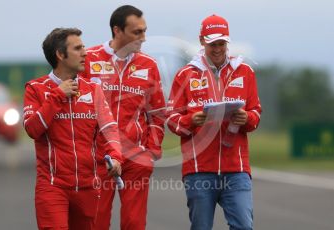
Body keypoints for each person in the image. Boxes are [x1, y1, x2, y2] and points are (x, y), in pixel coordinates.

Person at [166, 14, 262, 230]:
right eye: (212, 44)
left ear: (227, 42)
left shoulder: (245, 71)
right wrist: (191, 120)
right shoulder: (185, 75)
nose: (217, 49)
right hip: (199, 170)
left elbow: (256, 112)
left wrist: (247, 118)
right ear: (202, 41)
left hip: (236, 169)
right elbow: (171, 120)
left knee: (244, 226)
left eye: (221, 43)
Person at [23, 27, 123, 230]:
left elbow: (110, 130)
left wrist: (116, 156)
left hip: (88, 188)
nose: (85, 53)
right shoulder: (36, 88)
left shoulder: (94, 90)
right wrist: (58, 96)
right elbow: (32, 130)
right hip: (52, 186)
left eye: (84, 47)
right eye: (78, 48)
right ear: (60, 55)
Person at [80, 5, 166, 230]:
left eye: (144, 31)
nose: (143, 38)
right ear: (117, 31)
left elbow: (157, 113)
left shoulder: (149, 65)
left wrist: (151, 150)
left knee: (134, 223)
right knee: (96, 222)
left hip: (136, 157)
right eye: (137, 32)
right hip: (99, 156)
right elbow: (75, 108)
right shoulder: (88, 60)